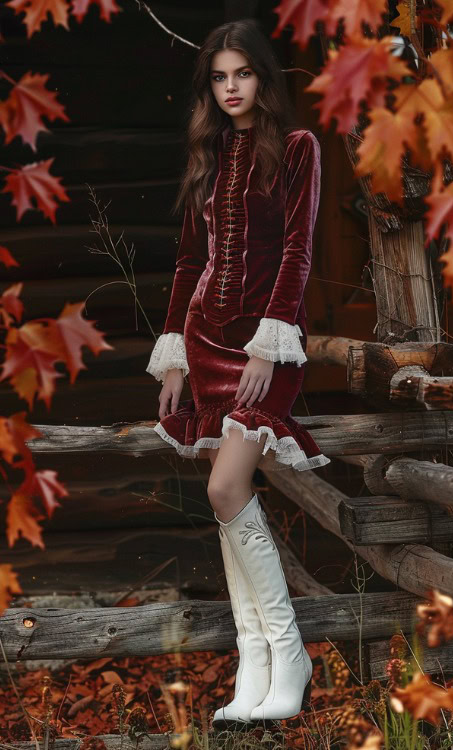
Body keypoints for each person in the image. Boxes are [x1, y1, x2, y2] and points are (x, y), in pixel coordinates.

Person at [146, 18, 330, 729]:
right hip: (205, 338)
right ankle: (255, 661)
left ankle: (290, 653)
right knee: (227, 502)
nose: (230, 88)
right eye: (219, 77)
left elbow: (296, 250)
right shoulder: (209, 154)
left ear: (264, 78)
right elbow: (190, 263)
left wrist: (266, 344)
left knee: (228, 485)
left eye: (242, 74)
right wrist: (175, 354)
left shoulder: (298, 148)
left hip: (265, 345)